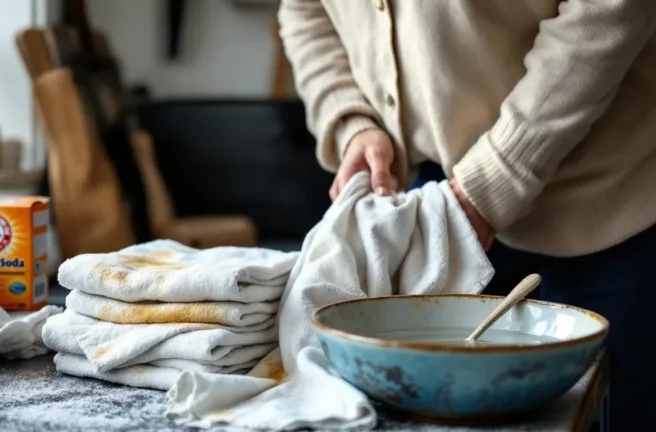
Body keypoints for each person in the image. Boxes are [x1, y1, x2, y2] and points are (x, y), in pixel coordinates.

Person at [278, 0, 656, 429]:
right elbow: (304, 8)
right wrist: (351, 117)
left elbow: (610, 9)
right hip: (438, 201)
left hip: (604, 202)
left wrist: (499, 174)